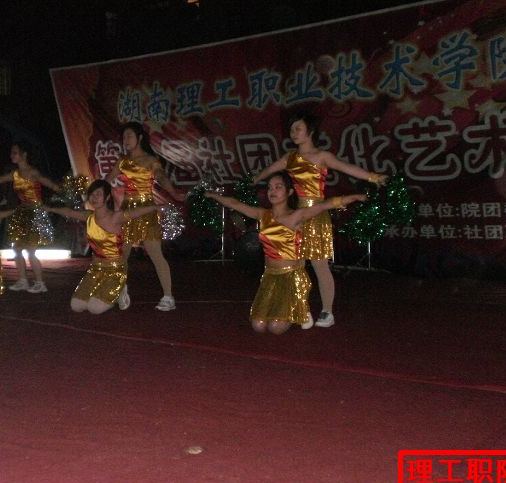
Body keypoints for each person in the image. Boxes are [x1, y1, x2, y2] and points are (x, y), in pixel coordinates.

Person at [253, 111, 388, 328]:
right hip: (295, 215)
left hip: (316, 213)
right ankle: (301, 308)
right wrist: (252, 180)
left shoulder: (321, 156)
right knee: (294, 264)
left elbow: (347, 168)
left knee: (319, 264)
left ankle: (327, 311)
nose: (293, 133)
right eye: (291, 129)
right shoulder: (289, 158)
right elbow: (268, 171)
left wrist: (373, 177)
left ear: (311, 131)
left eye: (298, 128)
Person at [206, 171, 365, 334]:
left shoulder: (296, 216)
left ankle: (300, 306)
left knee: (275, 328)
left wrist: (355, 197)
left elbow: (326, 205)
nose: (272, 191)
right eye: (270, 187)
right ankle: (291, 309)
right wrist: (213, 195)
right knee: (258, 326)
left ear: (289, 192)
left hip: (292, 278)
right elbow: (234, 204)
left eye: (278, 187)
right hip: (270, 277)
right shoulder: (263, 215)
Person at [47, 179, 165, 314]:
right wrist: (50, 209)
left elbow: (136, 212)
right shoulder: (88, 216)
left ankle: (119, 289)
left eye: (98, 194)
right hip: (95, 270)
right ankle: (105, 292)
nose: (94, 197)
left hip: (115, 270)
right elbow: (69, 212)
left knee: (94, 308)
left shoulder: (116, 217)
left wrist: (156, 207)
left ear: (107, 197)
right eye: (92, 194)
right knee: (76, 306)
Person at [104, 122, 185, 311]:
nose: (126, 140)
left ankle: (168, 297)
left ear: (139, 138)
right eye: (124, 137)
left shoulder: (150, 160)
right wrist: (95, 193)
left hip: (146, 209)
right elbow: (107, 180)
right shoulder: (122, 161)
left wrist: (173, 192)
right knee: (121, 254)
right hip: (127, 211)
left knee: (156, 254)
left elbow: (162, 177)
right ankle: (121, 289)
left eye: (129, 136)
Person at [0, 141, 61, 294]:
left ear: (24, 154)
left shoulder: (33, 172)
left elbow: (50, 184)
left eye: (15, 152)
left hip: (35, 213)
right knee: (17, 249)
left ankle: (40, 283)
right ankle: (23, 280)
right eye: (11, 153)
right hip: (21, 213)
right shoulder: (15, 174)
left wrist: (66, 191)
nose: (11, 155)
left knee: (31, 251)